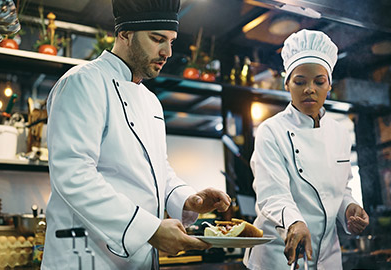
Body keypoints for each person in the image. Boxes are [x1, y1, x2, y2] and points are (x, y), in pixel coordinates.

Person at [42, 0, 231, 269]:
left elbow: (158, 172)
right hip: (86, 257)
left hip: (139, 259)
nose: (167, 52)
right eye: (157, 39)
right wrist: (151, 230)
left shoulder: (151, 101)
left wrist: (188, 199)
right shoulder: (83, 81)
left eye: (171, 41)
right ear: (125, 34)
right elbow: (73, 175)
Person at [243, 29, 369, 270]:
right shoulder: (271, 130)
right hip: (278, 256)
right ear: (287, 84)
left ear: (329, 85)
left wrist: (349, 208)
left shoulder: (340, 132)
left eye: (319, 82)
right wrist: (294, 222)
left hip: (328, 255)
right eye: (300, 81)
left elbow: (340, 190)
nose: (309, 89)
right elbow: (271, 193)